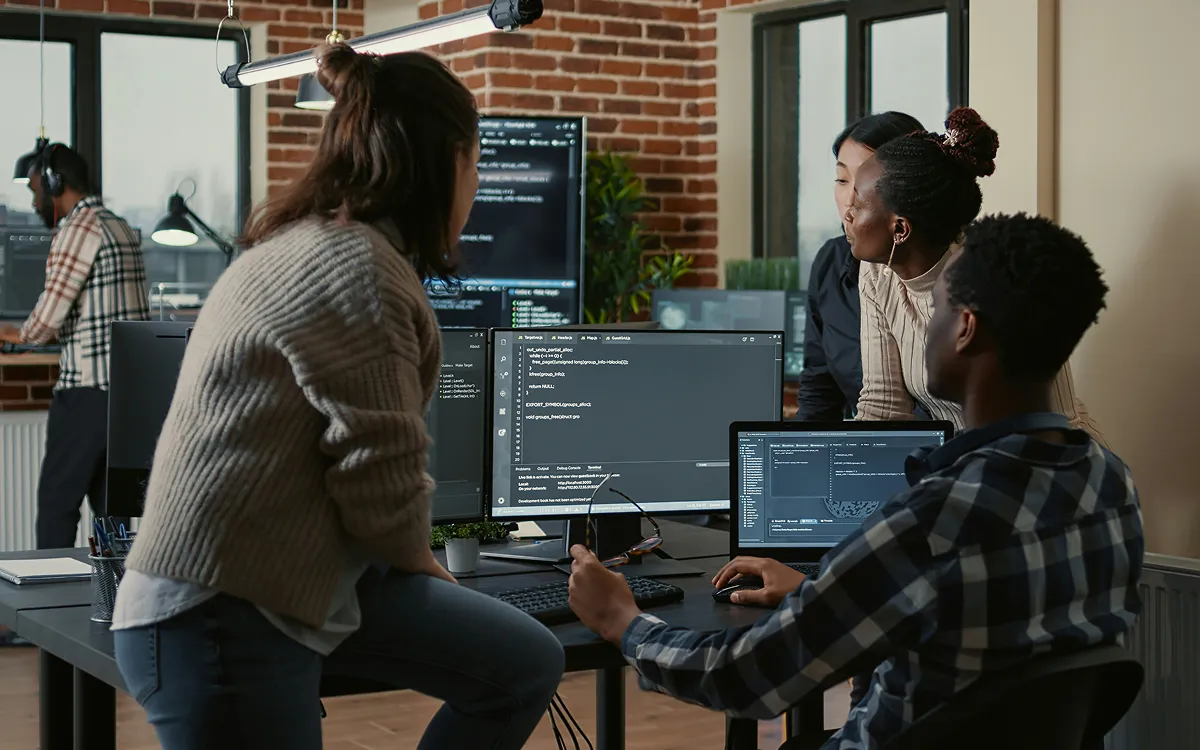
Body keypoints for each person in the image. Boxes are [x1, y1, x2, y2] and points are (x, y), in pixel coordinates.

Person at [111, 45, 564, 750]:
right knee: (518, 661)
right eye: (475, 164)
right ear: (445, 161)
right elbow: (380, 484)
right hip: (219, 609)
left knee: (524, 661)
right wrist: (435, 572)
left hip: (292, 581)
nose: (475, 187)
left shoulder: (319, 244)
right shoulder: (358, 269)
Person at [567, 213, 1144, 749]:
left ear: (965, 328)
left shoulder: (932, 520)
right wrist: (817, 590)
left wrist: (624, 622)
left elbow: (743, 676)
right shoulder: (1110, 484)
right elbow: (978, 616)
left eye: (937, 310)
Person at [846, 107, 1104, 439]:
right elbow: (883, 408)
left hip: (1043, 455)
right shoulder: (876, 272)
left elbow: (1055, 420)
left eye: (858, 204)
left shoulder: (993, 276)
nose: (847, 214)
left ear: (900, 229)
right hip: (964, 457)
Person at [0, 144, 148, 548]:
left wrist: (15, 335)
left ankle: (52, 587)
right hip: (125, 398)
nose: (34, 202)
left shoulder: (79, 228)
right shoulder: (120, 226)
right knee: (112, 512)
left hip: (86, 394)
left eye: (36, 190)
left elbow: (46, 320)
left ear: (55, 184)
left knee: (56, 505)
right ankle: (112, 587)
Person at [798, 111, 922, 421]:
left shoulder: (945, 274)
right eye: (842, 180)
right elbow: (819, 385)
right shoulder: (831, 262)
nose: (849, 200)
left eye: (867, 182)